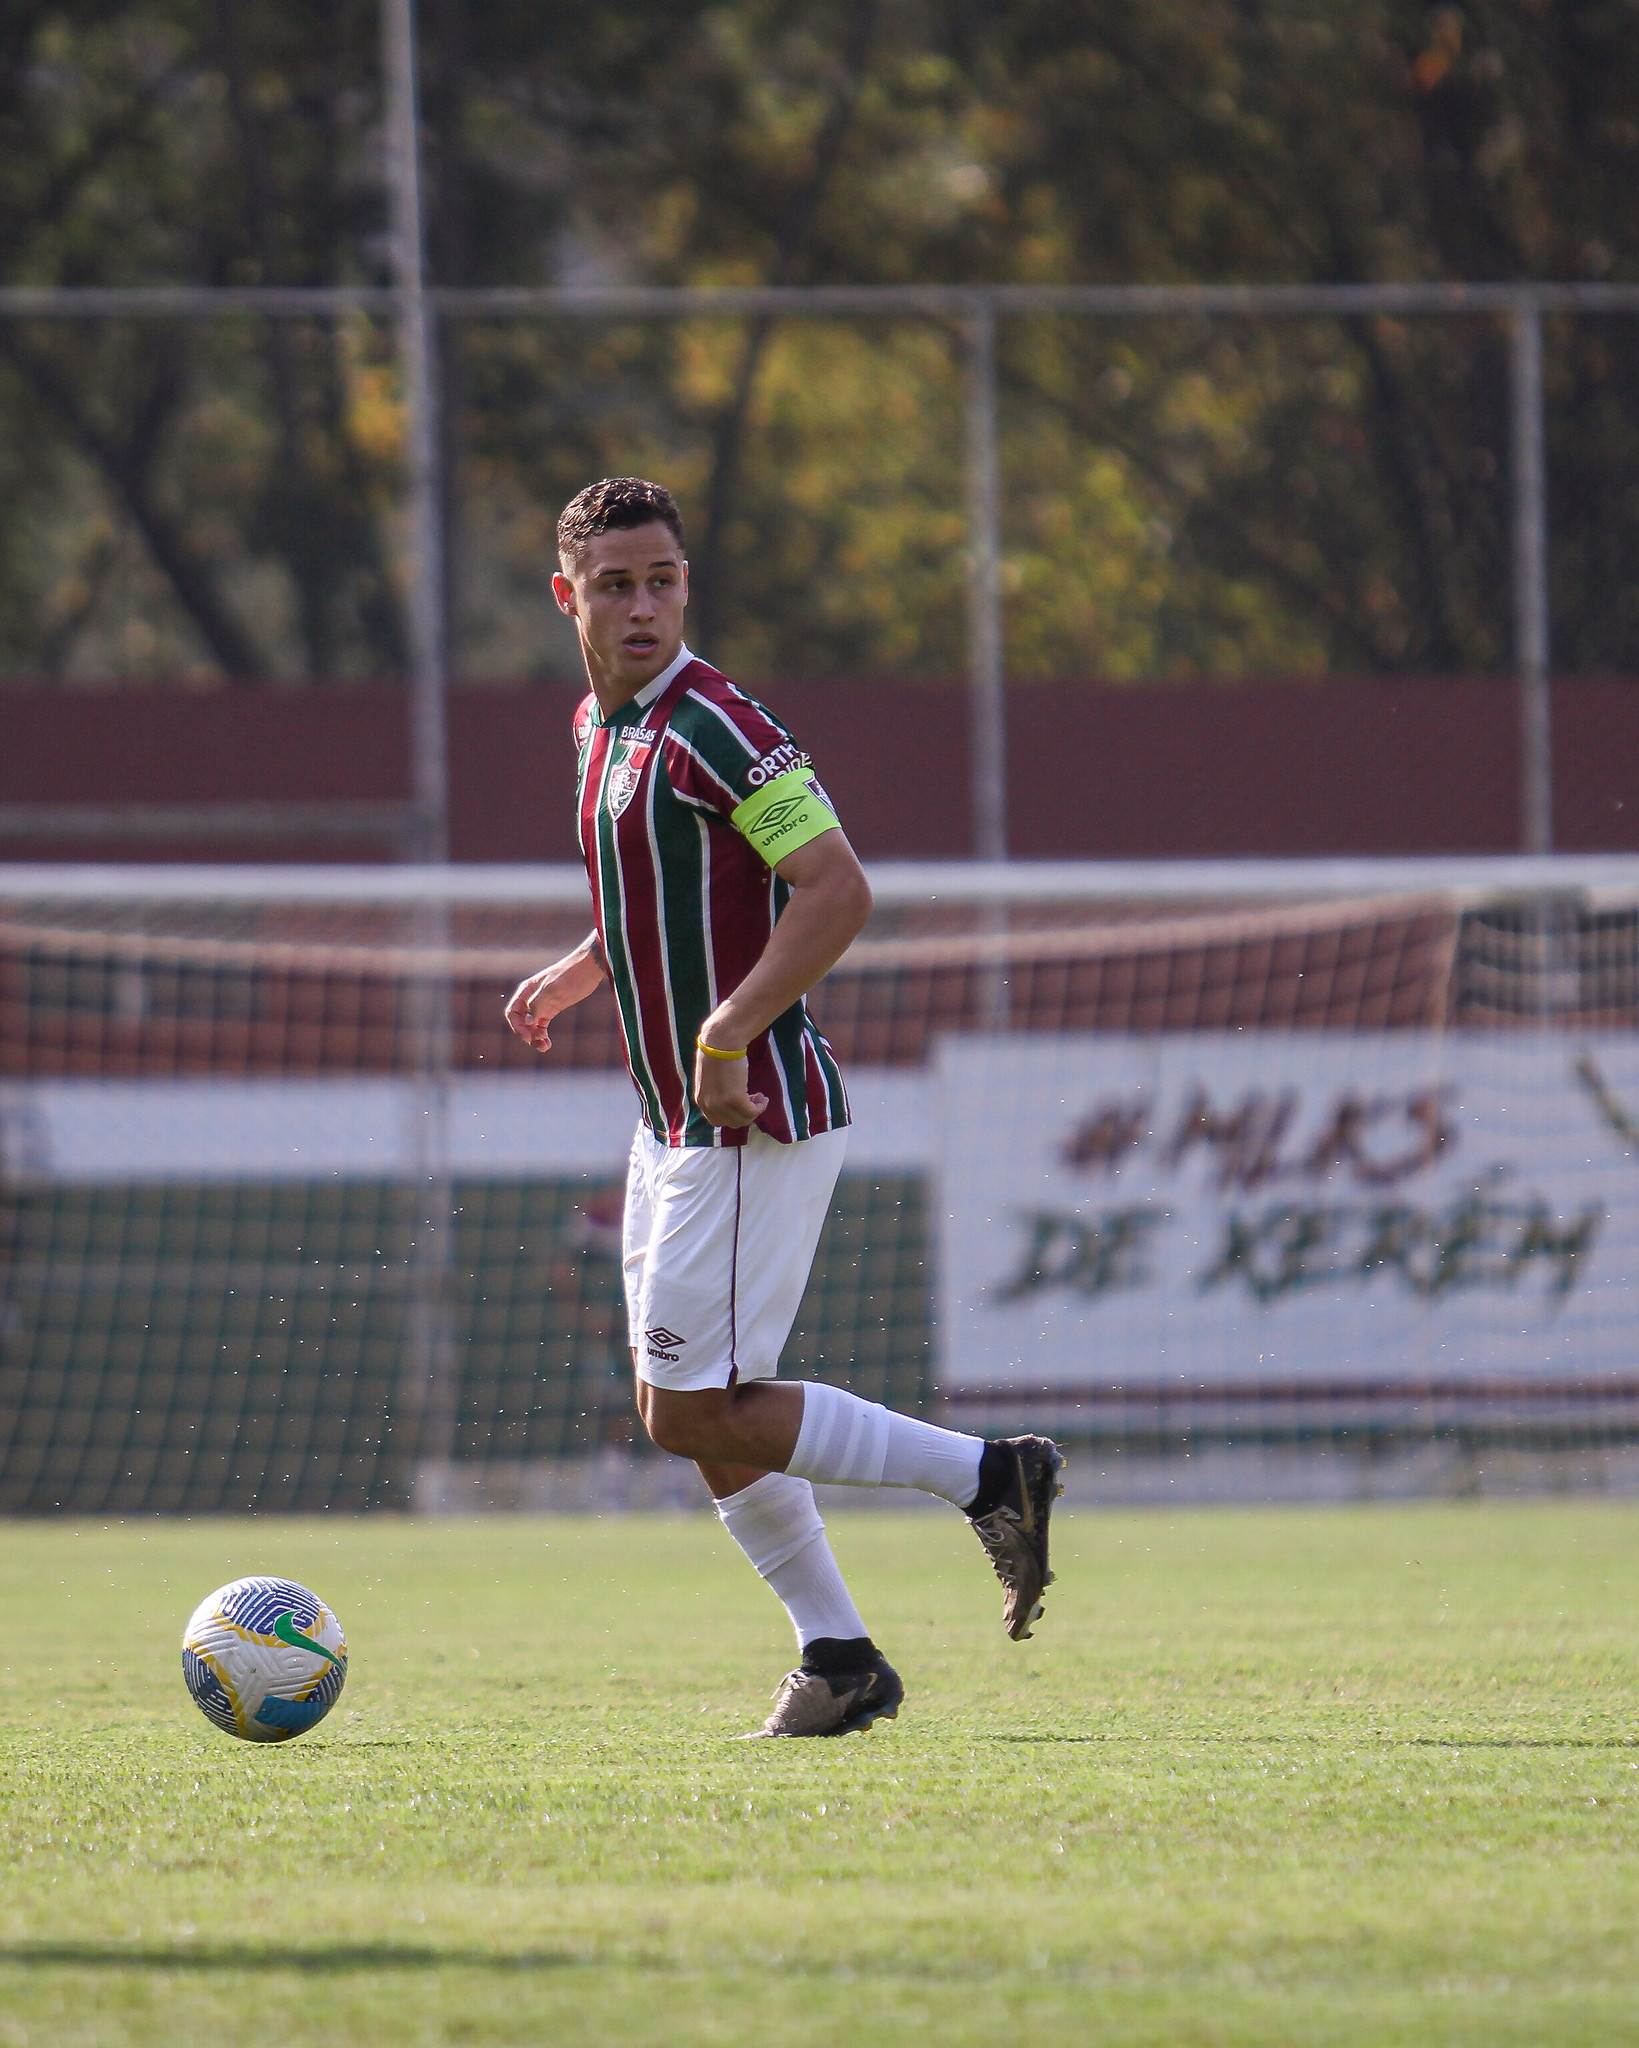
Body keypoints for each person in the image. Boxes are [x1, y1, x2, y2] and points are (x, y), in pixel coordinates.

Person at [505, 476, 1064, 1739]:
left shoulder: (714, 721)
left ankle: (990, 1473)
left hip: (748, 1113)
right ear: (567, 597)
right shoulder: (600, 729)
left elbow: (834, 887)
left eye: (662, 582)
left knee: (690, 1407)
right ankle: (840, 1654)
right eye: (615, 585)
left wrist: (723, 1030)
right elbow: (668, 889)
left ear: (684, 588)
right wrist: (589, 960)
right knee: (692, 1410)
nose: (642, 607)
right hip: (669, 1121)